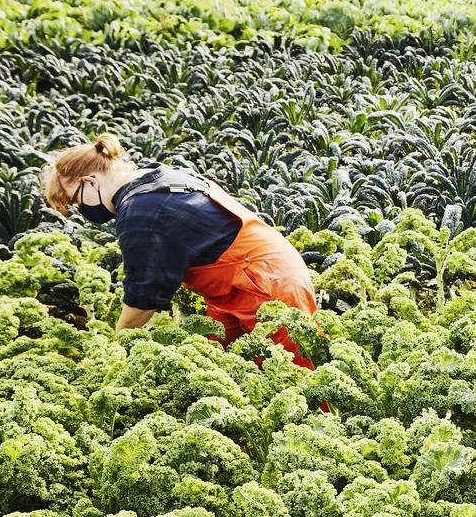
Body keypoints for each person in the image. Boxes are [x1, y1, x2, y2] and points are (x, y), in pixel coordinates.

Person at [38, 134, 319, 366]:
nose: (82, 210)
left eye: (76, 202)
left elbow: (143, 298)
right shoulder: (154, 177)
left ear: (91, 182)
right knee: (228, 366)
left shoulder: (139, 211)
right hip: (241, 282)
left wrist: (118, 342)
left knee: (293, 369)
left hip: (264, 284)